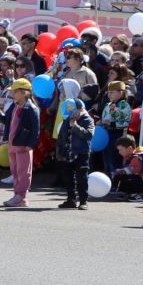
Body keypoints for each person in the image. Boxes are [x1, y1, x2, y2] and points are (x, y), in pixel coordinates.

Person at [54, 79, 96, 209]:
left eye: (74, 112)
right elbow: (62, 136)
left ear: (80, 109)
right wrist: (59, 151)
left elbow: (88, 135)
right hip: (68, 152)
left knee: (82, 178)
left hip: (81, 153)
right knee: (68, 178)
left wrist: (76, 127)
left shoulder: (87, 120)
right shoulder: (67, 120)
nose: (72, 116)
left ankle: (83, 201)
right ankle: (71, 199)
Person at [4, 77, 42, 208]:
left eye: (15, 91)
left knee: (23, 171)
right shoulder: (15, 106)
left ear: (24, 92)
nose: (12, 94)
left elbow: (35, 128)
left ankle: (21, 196)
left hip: (23, 144)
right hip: (12, 143)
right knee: (14, 170)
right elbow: (7, 120)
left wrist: (30, 144)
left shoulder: (31, 108)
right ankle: (16, 195)